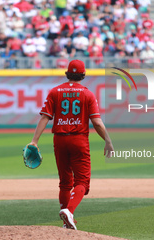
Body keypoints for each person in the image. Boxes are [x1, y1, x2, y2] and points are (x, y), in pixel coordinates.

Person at [28, 60, 114, 230]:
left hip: (59, 140)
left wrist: (35, 141)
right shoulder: (87, 94)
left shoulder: (55, 91)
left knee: (65, 182)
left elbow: (45, 117)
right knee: (82, 181)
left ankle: (66, 222)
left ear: (67, 73)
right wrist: (109, 141)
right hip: (78, 139)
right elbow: (96, 122)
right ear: (83, 74)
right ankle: (69, 211)